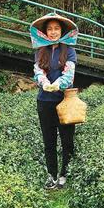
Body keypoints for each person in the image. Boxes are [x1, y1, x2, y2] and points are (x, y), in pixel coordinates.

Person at [31, 12, 78, 190]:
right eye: (49, 29)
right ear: (45, 32)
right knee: (48, 140)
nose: (53, 32)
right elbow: (38, 72)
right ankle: (51, 174)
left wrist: (57, 84)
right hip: (44, 101)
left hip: (64, 101)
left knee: (67, 140)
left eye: (56, 29)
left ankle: (65, 174)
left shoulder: (69, 50)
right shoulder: (40, 50)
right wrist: (44, 83)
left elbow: (69, 73)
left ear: (62, 31)